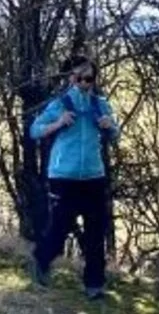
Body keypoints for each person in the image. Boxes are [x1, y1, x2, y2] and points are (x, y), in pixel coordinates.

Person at [29, 55, 119, 299]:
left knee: (95, 232)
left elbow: (115, 135)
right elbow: (35, 130)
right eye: (78, 77)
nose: (83, 82)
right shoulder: (59, 104)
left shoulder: (101, 105)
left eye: (88, 78)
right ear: (70, 78)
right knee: (59, 228)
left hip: (93, 176)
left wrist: (109, 126)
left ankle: (94, 284)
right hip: (64, 176)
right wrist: (58, 123)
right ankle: (42, 259)